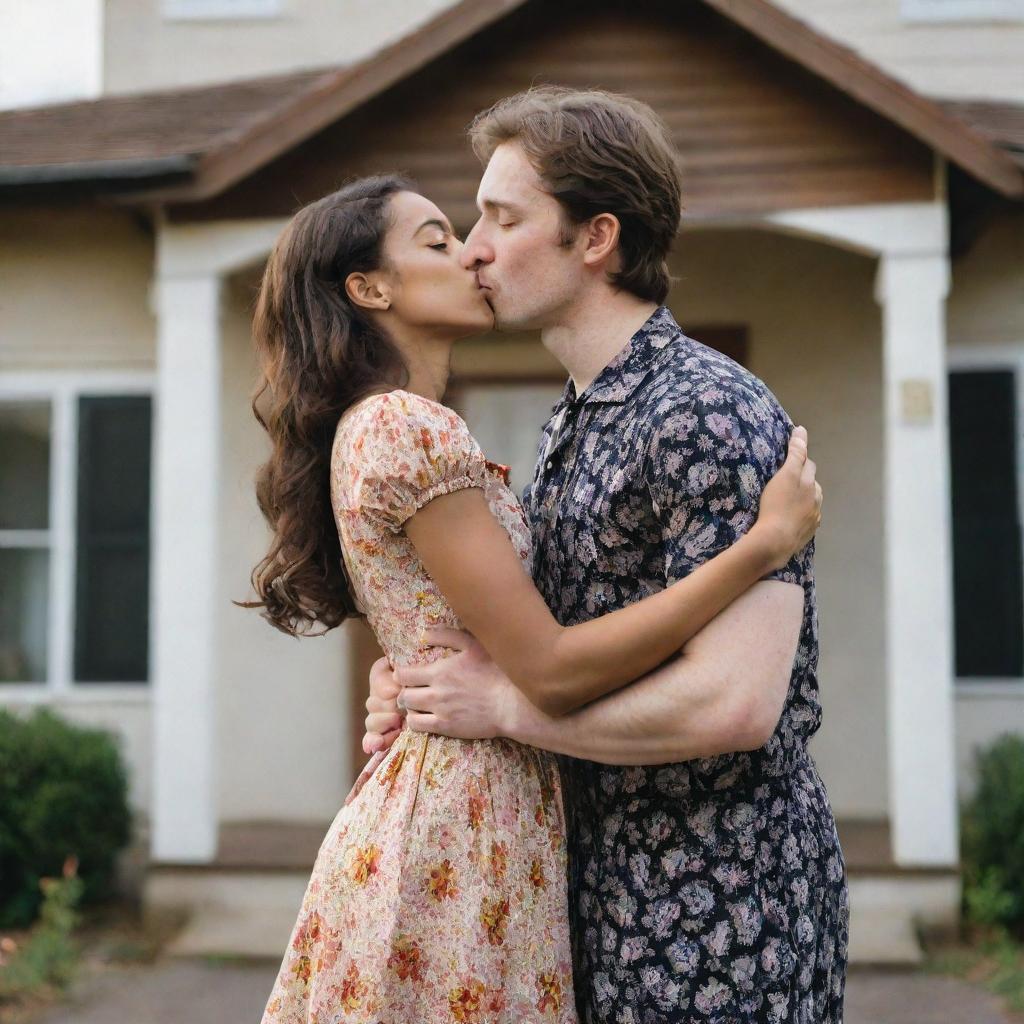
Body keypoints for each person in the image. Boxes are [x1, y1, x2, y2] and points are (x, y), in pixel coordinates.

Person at [242, 168, 822, 1023]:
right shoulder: (407, 425)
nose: (472, 252)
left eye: (487, 225)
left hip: (486, 799)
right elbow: (547, 667)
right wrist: (761, 548)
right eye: (438, 240)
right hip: (464, 810)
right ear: (369, 288)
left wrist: (408, 673)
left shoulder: (419, 425)